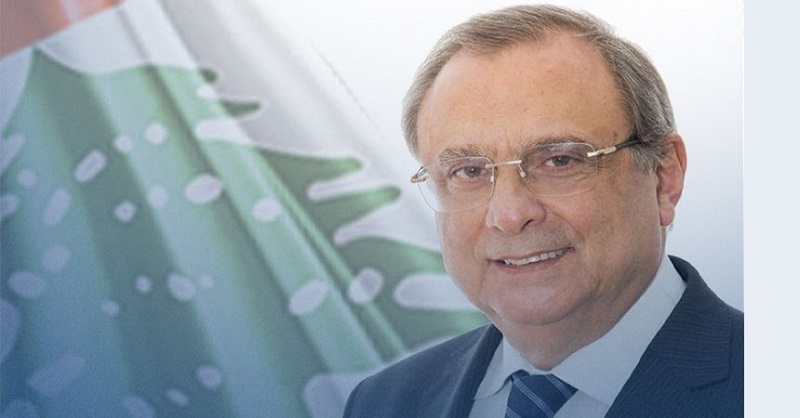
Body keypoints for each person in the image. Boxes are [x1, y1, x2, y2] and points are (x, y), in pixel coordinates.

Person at [343, 4, 743, 418]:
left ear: (664, 176)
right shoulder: (384, 403)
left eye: (559, 161)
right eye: (469, 171)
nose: (510, 215)